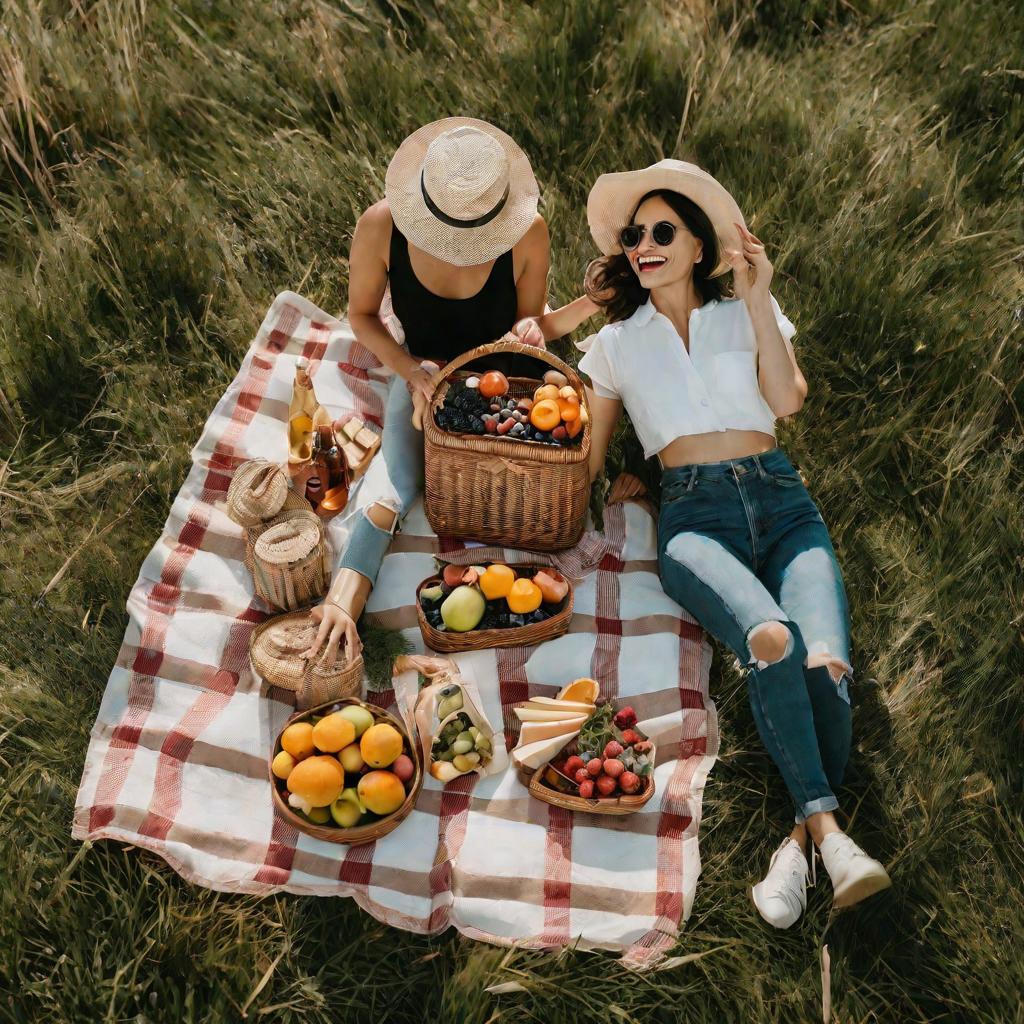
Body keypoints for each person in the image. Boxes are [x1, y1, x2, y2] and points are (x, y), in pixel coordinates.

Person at [576, 159, 891, 925]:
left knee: (828, 666)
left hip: (783, 503)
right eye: (633, 236)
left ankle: (800, 844)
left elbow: (788, 400)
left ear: (695, 245)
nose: (644, 245)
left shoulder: (743, 308)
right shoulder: (616, 343)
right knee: (772, 638)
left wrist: (755, 301)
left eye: (661, 232)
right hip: (695, 520)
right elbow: (586, 454)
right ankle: (829, 830)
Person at [304, 117, 550, 667]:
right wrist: (410, 371)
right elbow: (363, 316)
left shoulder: (529, 233)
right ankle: (345, 596)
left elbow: (531, 323)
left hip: (502, 382)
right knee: (397, 481)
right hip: (422, 372)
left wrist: (526, 345)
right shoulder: (380, 228)